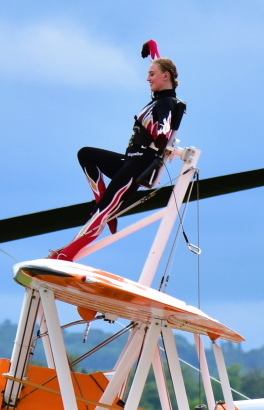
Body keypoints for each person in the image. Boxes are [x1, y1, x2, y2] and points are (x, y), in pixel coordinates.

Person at [50, 41, 186, 262]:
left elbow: (164, 129)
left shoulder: (166, 104)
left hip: (139, 167)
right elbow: (159, 62)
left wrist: (161, 137)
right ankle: (102, 198)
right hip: (128, 160)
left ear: (166, 76)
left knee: (100, 213)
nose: (148, 78)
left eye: (152, 75)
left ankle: (66, 254)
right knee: (86, 154)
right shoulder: (162, 94)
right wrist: (152, 47)